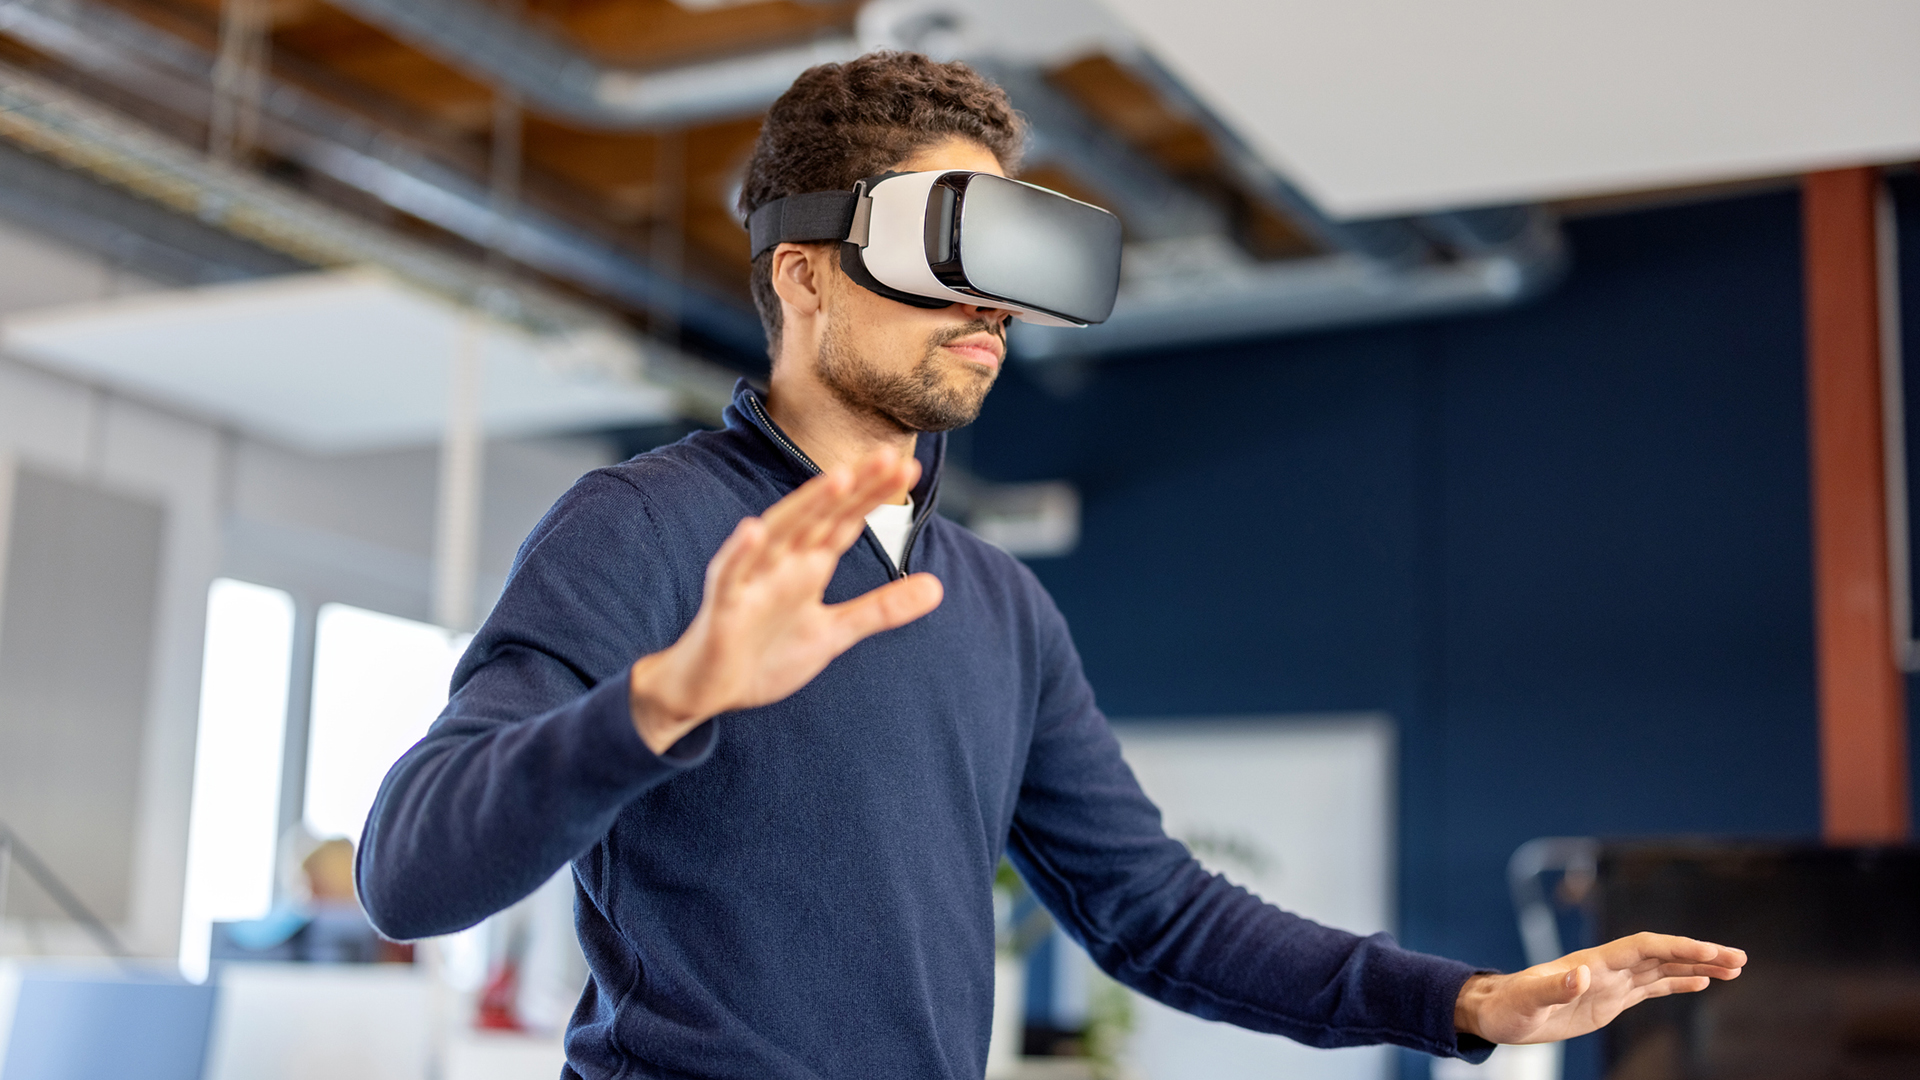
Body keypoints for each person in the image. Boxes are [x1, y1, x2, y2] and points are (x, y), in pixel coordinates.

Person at [357, 51, 1745, 1080]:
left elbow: (1154, 910)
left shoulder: (998, 607)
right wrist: (663, 696)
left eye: (1006, 255)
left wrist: (1465, 1005)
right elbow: (407, 875)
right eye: (943, 245)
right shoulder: (643, 528)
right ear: (806, 277)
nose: (989, 305)